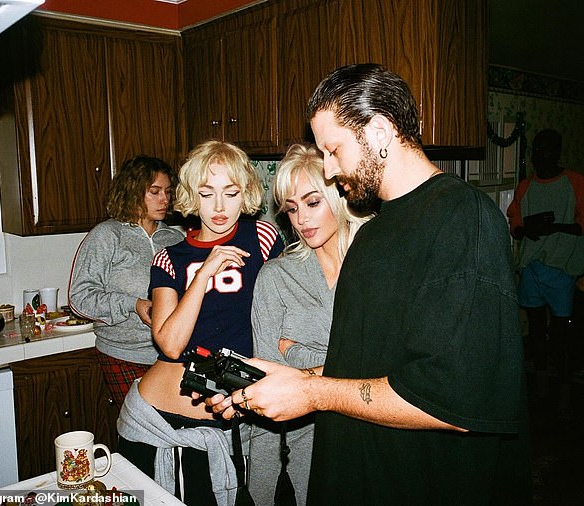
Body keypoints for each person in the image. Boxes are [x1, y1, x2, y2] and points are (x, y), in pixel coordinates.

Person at [209, 63, 532, 505]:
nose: (327, 167)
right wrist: (288, 380)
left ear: (379, 132)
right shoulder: (375, 233)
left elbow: (453, 399)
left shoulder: (463, 221)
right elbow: (374, 368)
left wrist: (311, 392)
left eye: (334, 149)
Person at [116, 140, 284, 506]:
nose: (220, 207)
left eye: (231, 192)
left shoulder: (262, 238)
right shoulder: (170, 257)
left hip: (225, 423)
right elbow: (171, 344)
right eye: (207, 194)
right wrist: (205, 271)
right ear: (192, 196)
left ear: (247, 193)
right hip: (151, 421)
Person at [249, 143, 368, 505]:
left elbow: (392, 366)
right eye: (291, 208)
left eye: (312, 202)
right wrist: (261, 493)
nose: (301, 219)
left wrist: (299, 354)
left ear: (340, 194)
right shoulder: (275, 278)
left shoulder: (375, 263)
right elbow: (265, 390)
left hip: (378, 437)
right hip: (311, 452)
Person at [68, 155, 184, 409]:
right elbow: (80, 298)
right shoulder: (107, 235)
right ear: (132, 192)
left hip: (171, 355)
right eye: (154, 192)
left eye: (167, 192)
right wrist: (133, 304)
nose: (165, 199)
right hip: (123, 355)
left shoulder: (175, 239)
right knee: (141, 431)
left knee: (172, 435)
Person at [506, 129, 584, 413]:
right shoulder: (526, 186)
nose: (539, 155)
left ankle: (563, 388)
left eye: (546, 149)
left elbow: (581, 224)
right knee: (537, 331)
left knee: (561, 335)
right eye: (536, 149)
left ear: (557, 151)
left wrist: (556, 228)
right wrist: (526, 229)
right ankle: (540, 384)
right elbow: (516, 221)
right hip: (532, 268)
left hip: (561, 270)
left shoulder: (575, 183)